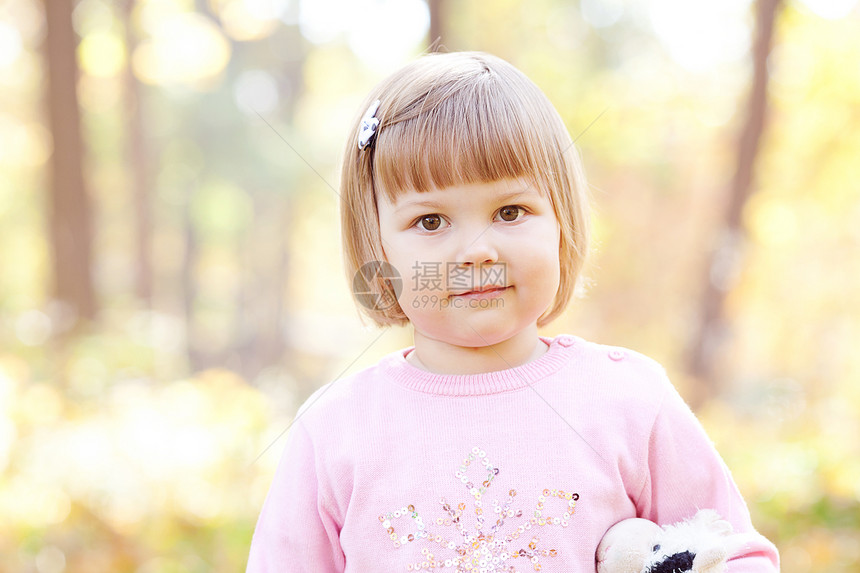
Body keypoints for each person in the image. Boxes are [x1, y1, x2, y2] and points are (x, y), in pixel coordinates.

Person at [246, 51, 779, 572]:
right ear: (377, 246)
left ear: (562, 222)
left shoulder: (630, 402)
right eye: (430, 222)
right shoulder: (336, 428)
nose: (476, 251)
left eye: (509, 211)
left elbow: (737, 554)